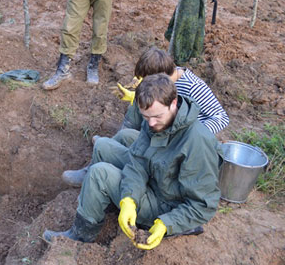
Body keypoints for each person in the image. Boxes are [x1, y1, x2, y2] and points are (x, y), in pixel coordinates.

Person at [43, 74, 222, 250]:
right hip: (155, 180)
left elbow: (203, 206)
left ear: (173, 102)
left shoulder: (197, 142)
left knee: (99, 174)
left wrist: (166, 224)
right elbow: (138, 162)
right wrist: (129, 199)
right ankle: (107, 203)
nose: (151, 123)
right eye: (146, 117)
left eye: (157, 117)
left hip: (167, 207)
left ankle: (80, 237)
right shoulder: (155, 119)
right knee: (104, 146)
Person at [62, 47, 228, 186]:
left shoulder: (193, 87)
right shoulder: (165, 84)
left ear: (161, 75)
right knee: (138, 103)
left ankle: (118, 157)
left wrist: (189, 133)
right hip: (162, 130)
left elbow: (221, 117)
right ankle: (109, 149)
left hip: (176, 141)